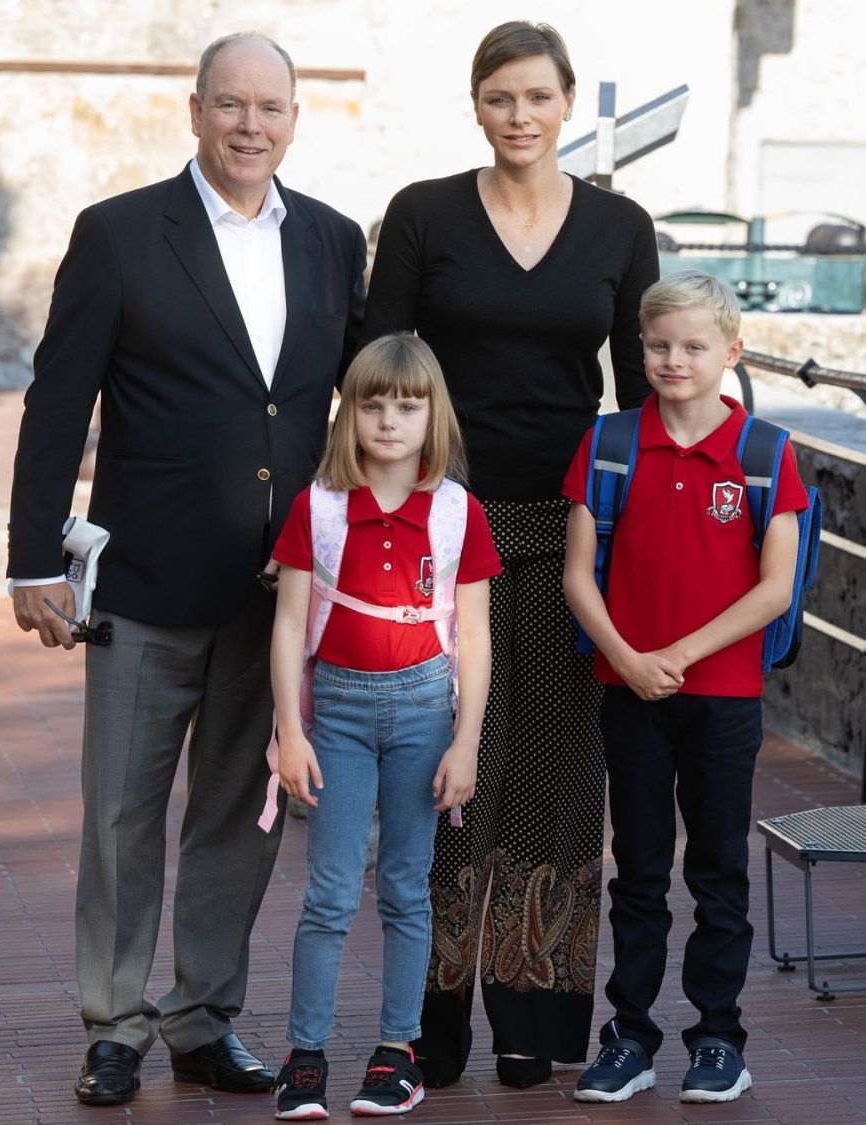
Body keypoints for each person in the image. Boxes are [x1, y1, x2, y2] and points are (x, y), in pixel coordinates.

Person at [7, 32, 365, 1107]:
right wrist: (34, 561)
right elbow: (58, 399)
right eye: (231, 106)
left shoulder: (335, 242)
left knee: (237, 820)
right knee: (120, 816)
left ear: (296, 118)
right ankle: (113, 1023)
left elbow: (371, 398)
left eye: (270, 108)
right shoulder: (119, 235)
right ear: (196, 109)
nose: (250, 126)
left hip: (277, 598)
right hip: (146, 586)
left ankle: (202, 1018)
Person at [362, 21, 659, 1087]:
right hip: (437, 531)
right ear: (477, 105)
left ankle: (534, 1022)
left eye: (537, 97)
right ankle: (428, 1023)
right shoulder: (424, 215)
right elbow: (376, 371)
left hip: (566, 531)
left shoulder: (620, 225)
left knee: (556, 781)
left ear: (566, 103)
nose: (520, 116)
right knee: (443, 778)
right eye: (500, 98)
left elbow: (641, 392)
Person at [562, 271, 808, 1104]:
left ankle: (718, 1038)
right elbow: (577, 576)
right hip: (630, 688)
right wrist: (631, 658)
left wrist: (679, 652)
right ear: (639, 349)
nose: (674, 360)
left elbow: (775, 586)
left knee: (716, 870)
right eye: (659, 345)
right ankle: (629, 1035)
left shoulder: (766, 454)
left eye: (694, 346)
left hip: (726, 695)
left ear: (731, 352)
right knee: (635, 870)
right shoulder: (610, 445)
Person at [267, 334, 500, 1118]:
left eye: (408, 405)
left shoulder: (459, 511)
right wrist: (289, 733)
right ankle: (305, 1056)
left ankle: (398, 1050)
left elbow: (474, 633)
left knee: (406, 885)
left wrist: (466, 740)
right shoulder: (319, 507)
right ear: (350, 413)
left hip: (426, 709)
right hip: (334, 711)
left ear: (434, 414)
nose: (390, 420)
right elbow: (290, 622)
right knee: (329, 890)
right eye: (373, 404)